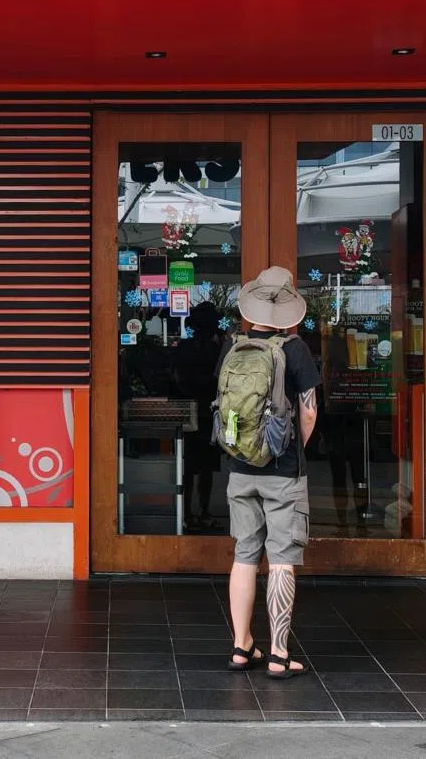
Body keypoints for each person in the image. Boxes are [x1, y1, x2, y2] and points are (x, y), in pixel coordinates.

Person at [222, 266, 320, 679]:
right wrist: (293, 446)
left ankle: (242, 646)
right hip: (283, 469)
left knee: (245, 554)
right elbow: (310, 410)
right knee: (281, 558)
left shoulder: (233, 347)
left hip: (238, 465)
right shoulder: (295, 349)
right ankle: (279, 653)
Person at [173, 302, 223, 529]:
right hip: (204, 411)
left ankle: (189, 513)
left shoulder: (188, 347)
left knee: (193, 467)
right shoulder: (216, 349)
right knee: (200, 467)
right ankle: (198, 511)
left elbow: (177, 376)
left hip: (194, 411)